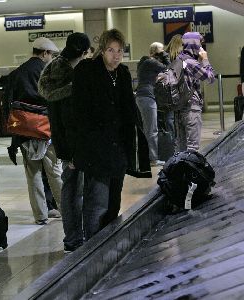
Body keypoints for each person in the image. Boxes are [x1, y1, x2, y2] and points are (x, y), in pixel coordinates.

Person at [68, 28, 150, 246]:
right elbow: (78, 113)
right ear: (102, 51)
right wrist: (76, 151)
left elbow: (128, 110)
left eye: (120, 51)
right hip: (96, 149)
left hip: (118, 148)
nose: (115, 55)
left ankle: (107, 245)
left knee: (113, 203)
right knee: (97, 202)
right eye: (111, 50)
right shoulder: (86, 70)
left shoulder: (122, 73)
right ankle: (92, 247)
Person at [38, 32, 91, 253]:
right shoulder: (75, 76)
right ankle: (77, 238)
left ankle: (72, 239)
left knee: (70, 190)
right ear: (83, 52)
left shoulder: (51, 70)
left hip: (61, 140)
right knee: (75, 192)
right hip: (76, 142)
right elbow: (76, 116)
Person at [7, 37, 63, 225]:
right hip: (46, 129)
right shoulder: (47, 72)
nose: (52, 58)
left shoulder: (18, 72)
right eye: (51, 55)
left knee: (33, 174)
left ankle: (40, 215)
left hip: (24, 129)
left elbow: (9, 102)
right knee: (55, 172)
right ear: (45, 53)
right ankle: (66, 209)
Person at [175, 32, 215, 151]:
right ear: (194, 44)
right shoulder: (191, 63)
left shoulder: (178, 59)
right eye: (200, 44)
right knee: (193, 147)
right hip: (191, 109)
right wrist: (205, 60)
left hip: (178, 109)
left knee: (180, 148)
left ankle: (180, 169)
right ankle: (190, 170)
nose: (201, 48)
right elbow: (210, 78)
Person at [135, 42, 167, 166]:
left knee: (147, 129)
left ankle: (145, 158)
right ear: (155, 52)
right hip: (147, 97)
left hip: (142, 97)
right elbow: (168, 67)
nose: (162, 53)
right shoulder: (151, 62)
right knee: (151, 129)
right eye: (161, 51)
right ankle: (152, 159)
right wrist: (164, 55)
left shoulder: (145, 63)